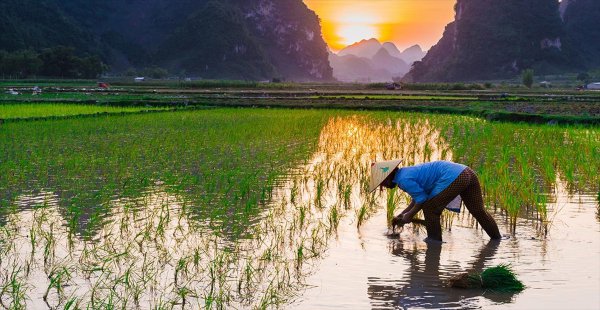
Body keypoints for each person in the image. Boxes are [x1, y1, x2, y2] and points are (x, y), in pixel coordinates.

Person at [369, 159, 501, 242]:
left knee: (430, 209)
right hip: (466, 172)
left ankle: (434, 242)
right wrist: (403, 214)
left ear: (387, 178)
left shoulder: (403, 180)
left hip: (455, 176)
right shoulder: (405, 173)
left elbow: (422, 200)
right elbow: (417, 199)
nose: (384, 187)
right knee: (478, 211)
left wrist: (409, 215)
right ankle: (497, 239)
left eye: (382, 184)